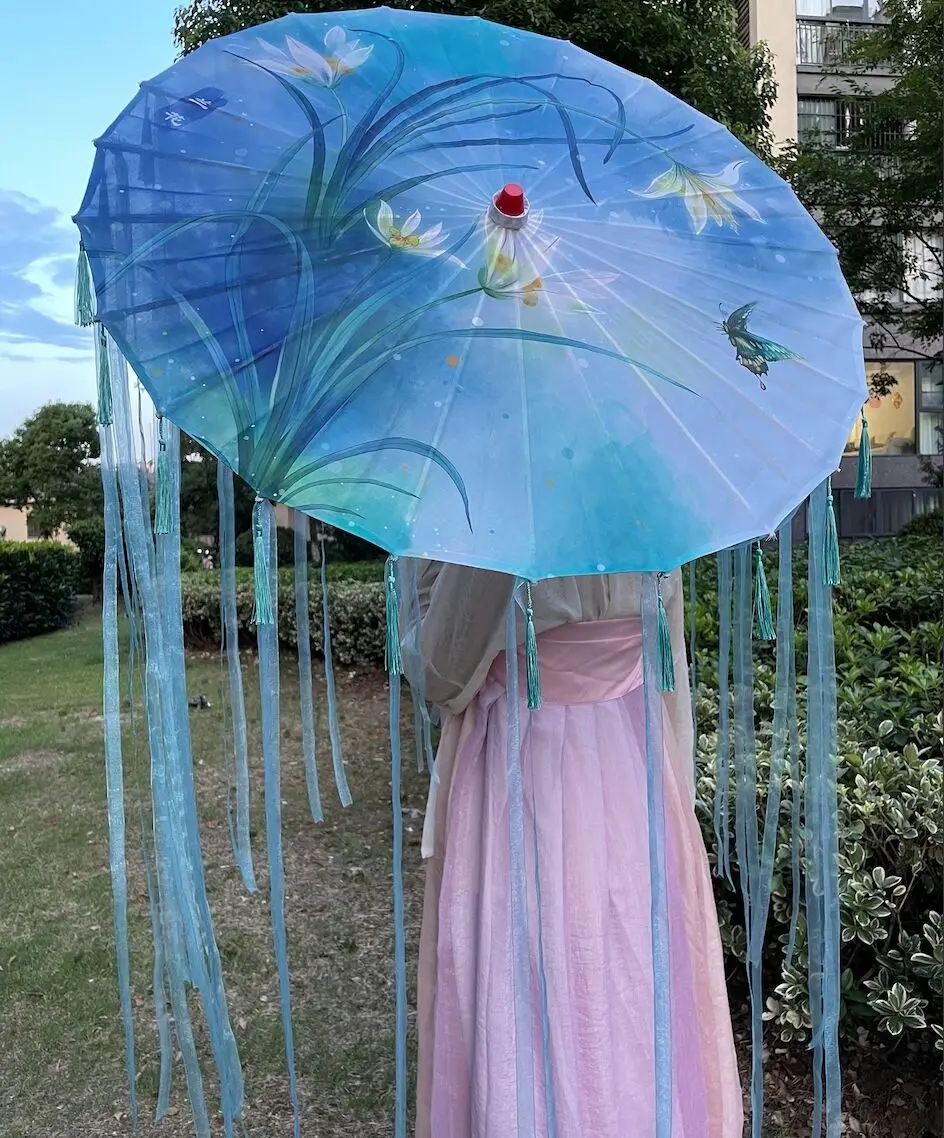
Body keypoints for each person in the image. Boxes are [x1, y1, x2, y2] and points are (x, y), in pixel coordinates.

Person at [410, 562, 742, 1138]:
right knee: (631, 990)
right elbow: (669, 660)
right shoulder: (650, 492)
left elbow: (441, 672)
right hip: (636, 767)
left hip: (528, 770)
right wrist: (678, 802)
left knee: (535, 986)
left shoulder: (503, 508)